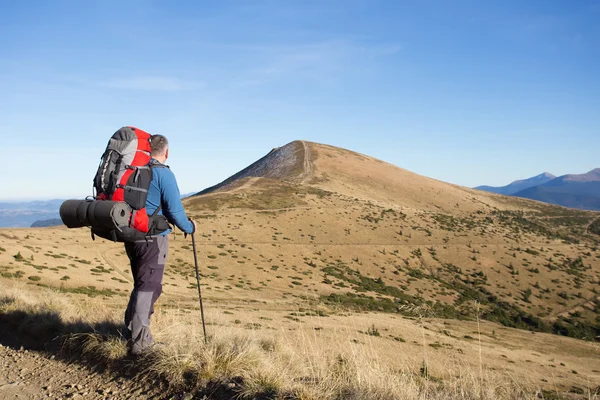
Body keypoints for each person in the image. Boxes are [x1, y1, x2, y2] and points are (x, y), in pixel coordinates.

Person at [124, 134, 195, 355]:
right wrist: (190, 228)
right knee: (149, 286)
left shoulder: (134, 170)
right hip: (153, 237)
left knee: (143, 283)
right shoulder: (163, 174)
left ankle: (132, 331)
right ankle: (140, 342)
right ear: (166, 152)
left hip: (130, 234)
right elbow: (174, 210)